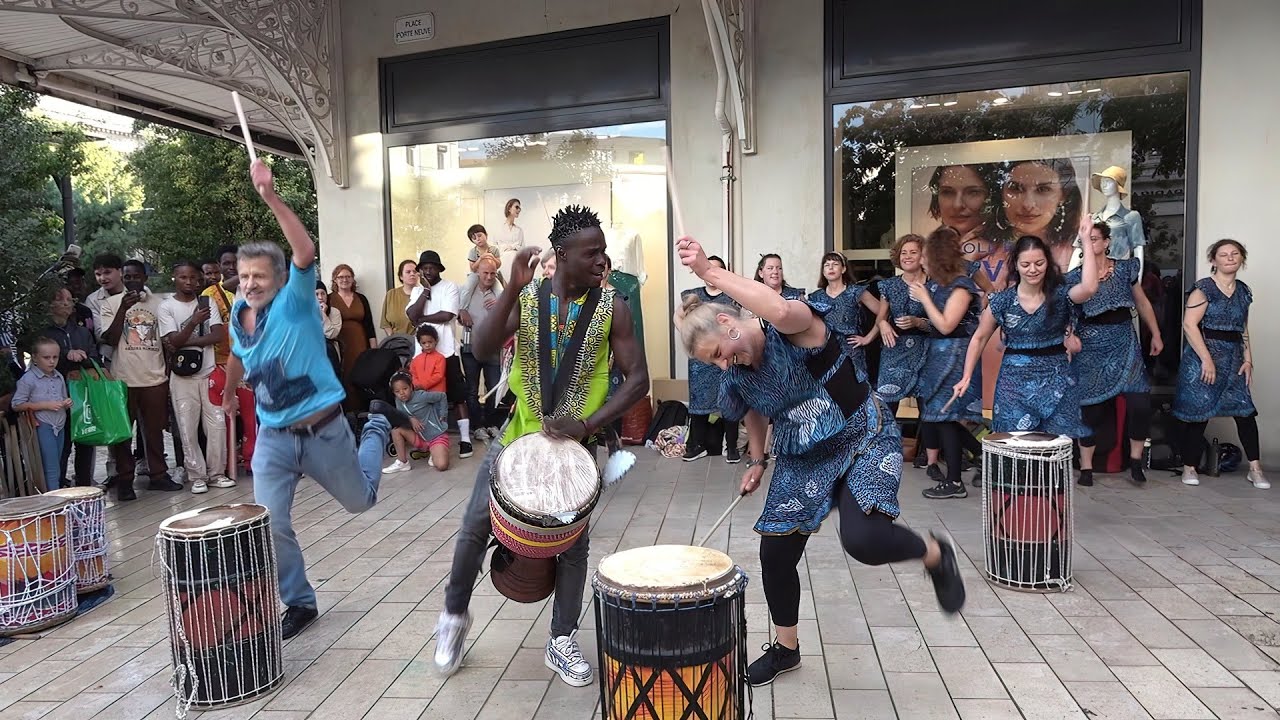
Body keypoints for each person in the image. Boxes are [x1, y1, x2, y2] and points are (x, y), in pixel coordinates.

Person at [673, 233, 964, 687]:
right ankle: (786, 649)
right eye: (714, 364)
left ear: (727, 323)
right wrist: (757, 461)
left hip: (862, 434)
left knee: (863, 540)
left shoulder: (793, 327)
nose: (723, 365)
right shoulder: (738, 374)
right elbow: (753, 411)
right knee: (775, 553)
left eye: (718, 354)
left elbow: (778, 309)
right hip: (802, 456)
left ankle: (934, 554)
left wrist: (710, 272)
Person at [433, 205, 649, 686]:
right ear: (562, 255)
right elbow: (482, 348)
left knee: (573, 547)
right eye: (591, 253)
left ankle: (561, 639)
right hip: (516, 441)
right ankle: (453, 618)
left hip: (575, 451)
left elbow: (638, 380)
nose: (602, 260)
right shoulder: (529, 298)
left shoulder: (614, 307)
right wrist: (511, 287)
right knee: (474, 527)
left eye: (603, 251)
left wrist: (588, 424)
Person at [222, 159, 393, 640]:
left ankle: (377, 425)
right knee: (269, 523)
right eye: (244, 275)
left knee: (360, 502)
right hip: (275, 438)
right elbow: (238, 353)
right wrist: (230, 392)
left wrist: (270, 197)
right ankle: (299, 601)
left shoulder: (296, 300)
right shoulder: (239, 311)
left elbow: (304, 249)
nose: (250, 283)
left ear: (280, 279)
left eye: (259, 276)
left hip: (324, 433)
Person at [954, 219, 1099, 437]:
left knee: (1055, 446)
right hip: (1013, 385)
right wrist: (966, 376)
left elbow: (1089, 288)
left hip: (1057, 381)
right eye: (1026, 264)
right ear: (1016, 265)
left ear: (1047, 263)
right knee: (1015, 445)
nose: (1033, 270)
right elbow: (979, 338)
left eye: (1039, 263)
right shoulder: (1002, 301)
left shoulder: (1060, 295)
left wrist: (1086, 239)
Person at [1066, 223, 1163, 487]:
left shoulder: (1125, 269)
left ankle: (1135, 461)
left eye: (1095, 238)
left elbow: (1141, 302)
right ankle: (1086, 467)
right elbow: (1068, 313)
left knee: (1140, 403)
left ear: (1107, 242)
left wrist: (1155, 333)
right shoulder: (1074, 277)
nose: (1090, 243)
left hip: (1124, 340)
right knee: (1090, 408)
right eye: (1086, 239)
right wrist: (1069, 336)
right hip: (1090, 344)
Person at [1173, 239, 1268, 489]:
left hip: (1233, 357)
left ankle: (1256, 469)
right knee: (1199, 413)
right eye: (1223, 254)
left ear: (1242, 258)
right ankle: (1189, 467)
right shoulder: (1204, 288)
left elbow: (1242, 327)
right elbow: (1189, 325)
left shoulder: (1243, 291)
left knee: (1245, 413)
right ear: (1213, 260)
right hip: (1203, 356)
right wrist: (1206, 359)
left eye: (1235, 253)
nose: (1230, 258)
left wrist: (1248, 359)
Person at [98, 259, 180, 500]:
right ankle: (125, 481)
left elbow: (167, 341)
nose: (132, 280)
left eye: (136, 276)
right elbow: (110, 339)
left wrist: (167, 374)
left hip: (154, 377)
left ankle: (158, 475)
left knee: (154, 431)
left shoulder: (160, 304)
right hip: (123, 379)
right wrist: (123, 309)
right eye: (127, 277)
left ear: (145, 277)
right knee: (123, 434)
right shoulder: (110, 303)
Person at [913, 228, 985, 500]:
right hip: (938, 355)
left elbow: (946, 325)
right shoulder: (938, 285)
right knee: (941, 418)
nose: (921, 260)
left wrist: (924, 299)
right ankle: (980, 457)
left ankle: (955, 480)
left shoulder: (961, 286)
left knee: (945, 417)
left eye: (925, 255)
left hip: (955, 356)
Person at [159, 260, 235, 495]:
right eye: (183, 277)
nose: (189, 282)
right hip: (182, 377)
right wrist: (193, 322)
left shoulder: (207, 302)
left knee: (217, 425)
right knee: (187, 428)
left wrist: (182, 342)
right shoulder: (166, 307)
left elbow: (217, 336)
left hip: (209, 372)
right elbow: (171, 339)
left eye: (193, 277)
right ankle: (197, 476)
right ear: (175, 278)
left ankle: (217, 473)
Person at [406, 250, 472, 458]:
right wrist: (425, 291)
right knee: (425, 397)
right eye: (424, 268)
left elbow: (447, 315)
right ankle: (430, 441)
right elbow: (411, 315)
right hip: (422, 355)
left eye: (431, 268)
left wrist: (423, 318)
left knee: (457, 396)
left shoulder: (449, 287)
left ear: (439, 269)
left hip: (446, 352)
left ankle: (465, 440)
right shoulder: (417, 291)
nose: (428, 271)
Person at [681, 255, 741, 462]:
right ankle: (696, 445)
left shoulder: (732, 296)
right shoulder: (692, 296)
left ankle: (731, 447)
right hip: (701, 362)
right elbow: (678, 317)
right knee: (698, 402)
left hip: (726, 357)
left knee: (730, 401)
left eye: (717, 269)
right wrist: (693, 340)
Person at [204, 244, 256, 473]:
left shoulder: (254, 288)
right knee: (224, 417)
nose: (231, 267)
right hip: (219, 363)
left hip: (249, 363)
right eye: (226, 263)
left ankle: (252, 459)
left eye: (236, 262)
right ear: (219, 266)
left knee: (251, 416)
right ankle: (227, 464)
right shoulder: (209, 294)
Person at [43, 287, 98, 487]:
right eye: (60, 299)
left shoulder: (82, 331)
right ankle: (58, 486)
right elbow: (41, 359)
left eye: (69, 299)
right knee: (61, 445)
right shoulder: (44, 332)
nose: (66, 303)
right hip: (55, 396)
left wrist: (83, 357)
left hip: (82, 395)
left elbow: (95, 357)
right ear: (50, 304)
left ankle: (84, 486)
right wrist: (66, 354)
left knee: (86, 440)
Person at [993, 159, 1084, 273]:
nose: (1028, 204)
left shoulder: (1079, 250)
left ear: (1063, 196)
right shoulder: (984, 250)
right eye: (1016, 188)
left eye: (1043, 189)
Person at [873, 235, 929, 417]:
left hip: (926, 349)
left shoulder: (934, 284)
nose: (907, 256)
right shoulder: (889, 285)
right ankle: (889, 436)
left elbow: (942, 322)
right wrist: (883, 324)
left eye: (913, 252)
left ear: (923, 256)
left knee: (927, 409)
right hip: (894, 348)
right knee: (886, 406)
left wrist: (918, 322)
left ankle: (924, 438)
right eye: (904, 253)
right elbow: (880, 318)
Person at [808, 252, 880, 382]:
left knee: (854, 388)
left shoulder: (855, 292)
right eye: (827, 265)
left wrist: (868, 338)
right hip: (825, 350)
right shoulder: (815, 297)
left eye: (835, 264)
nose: (831, 268)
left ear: (843, 269)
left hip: (851, 351)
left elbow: (883, 313)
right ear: (823, 271)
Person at [12, 337, 72, 491]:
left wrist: (66, 403)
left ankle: (54, 495)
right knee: (51, 468)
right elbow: (17, 404)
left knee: (58, 464)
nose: (51, 361)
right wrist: (44, 405)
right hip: (43, 424)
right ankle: (54, 499)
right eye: (46, 357)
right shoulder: (28, 379)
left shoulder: (58, 376)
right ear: (35, 358)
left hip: (59, 424)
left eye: (55, 357)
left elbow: (62, 397)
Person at [458, 255, 503, 441]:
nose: (489, 277)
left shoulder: (498, 292)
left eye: (492, 273)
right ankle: (477, 426)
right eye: (485, 273)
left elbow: (510, 314)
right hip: (470, 347)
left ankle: (492, 424)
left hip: (493, 348)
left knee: (494, 388)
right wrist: (461, 313)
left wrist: (501, 305)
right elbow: (457, 315)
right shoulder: (467, 291)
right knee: (472, 390)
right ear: (477, 272)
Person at [329, 264, 377, 412]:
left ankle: (362, 412)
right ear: (335, 280)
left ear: (353, 279)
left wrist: (374, 350)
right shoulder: (329, 299)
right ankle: (346, 412)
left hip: (360, 344)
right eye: (341, 277)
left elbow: (369, 325)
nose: (345, 280)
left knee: (361, 374)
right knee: (344, 375)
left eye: (348, 276)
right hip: (339, 345)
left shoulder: (361, 298)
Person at [382, 372, 450, 473]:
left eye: (405, 389)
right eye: (397, 391)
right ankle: (402, 463)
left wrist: (443, 414)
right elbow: (401, 418)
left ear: (411, 387)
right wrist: (410, 419)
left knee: (442, 466)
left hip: (436, 436)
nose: (402, 393)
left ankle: (434, 452)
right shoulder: (398, 401)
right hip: (420, 438)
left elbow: (442, 396)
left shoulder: (421, 396)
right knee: (396, 431)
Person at [459, 224, 505, 308]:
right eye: (474, 238)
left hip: (491, 274)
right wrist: (481, 258)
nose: (478, 239)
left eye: (479, 236)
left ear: (486, 235)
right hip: (476, 274)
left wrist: (492, 257)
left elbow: (498, 265)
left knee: (500, 290)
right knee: (467, 288)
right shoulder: (473, 252)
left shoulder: (494, 249)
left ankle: (501, 308)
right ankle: (462, 308)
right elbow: (472, 269)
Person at [379, 260, 420, 337]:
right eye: (408, 272)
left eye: (415, 272)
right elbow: (385, 322)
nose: (412, 274)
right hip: (396, 340)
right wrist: (392, 337)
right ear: (401, 276)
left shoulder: (424, 294)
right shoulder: (391, 294)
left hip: (419, 340)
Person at [317, 281, 344, 379]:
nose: (320, 297)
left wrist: (323, 314)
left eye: (323, 293)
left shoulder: (334, 312)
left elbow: (332, 334)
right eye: (316, 294)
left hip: (331, 355)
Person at [493, 198, 526, 274]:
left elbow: (523, 248)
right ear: (509, 208)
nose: (519, 210)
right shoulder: (498, 229)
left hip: (516, 263)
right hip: (503, 262)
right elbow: (495, 247)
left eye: (520, 208)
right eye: (516, 207)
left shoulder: (519, 230)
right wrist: (505, 249)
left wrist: (513, 247)